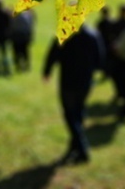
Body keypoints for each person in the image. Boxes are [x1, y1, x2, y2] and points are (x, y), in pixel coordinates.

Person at [43, 24, 105, 165]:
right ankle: (73, 147)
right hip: (85, 82)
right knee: (78, 112)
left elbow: (53, 54)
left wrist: (47, 71)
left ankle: (82, 150)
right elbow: (100, 60)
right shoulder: (93, 35)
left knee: (70, 115)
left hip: (68, 83)